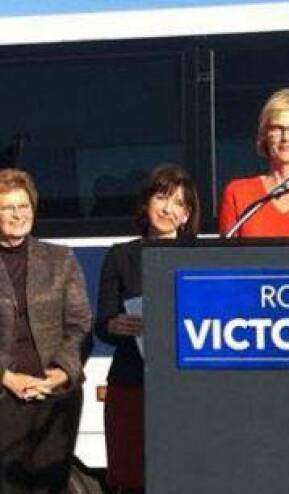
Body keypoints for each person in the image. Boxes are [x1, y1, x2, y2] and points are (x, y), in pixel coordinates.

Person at [95, 164, 200, 493]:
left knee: (184, 471)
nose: (168, 209)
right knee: (131, 477)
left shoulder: (199, 257)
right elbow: (102, 323)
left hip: (186, 384)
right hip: (131, 381)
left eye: (179, 203)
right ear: (147, 203)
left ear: (187, 216)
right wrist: (115, 324)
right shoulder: (121, 255)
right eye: (162, 197)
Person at [0, 168, 92, 493]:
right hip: (5, 396)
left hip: (55, 397)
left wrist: (62, 373)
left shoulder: (60, 259)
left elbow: (81, 324)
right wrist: (8, 378)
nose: (18, 215)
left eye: (24, 206)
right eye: (8, 207)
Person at [219, 88, 289, 237]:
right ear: (265, 134)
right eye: (277, 128)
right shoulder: (238, 193)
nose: (286, 137)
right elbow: (226, 257)